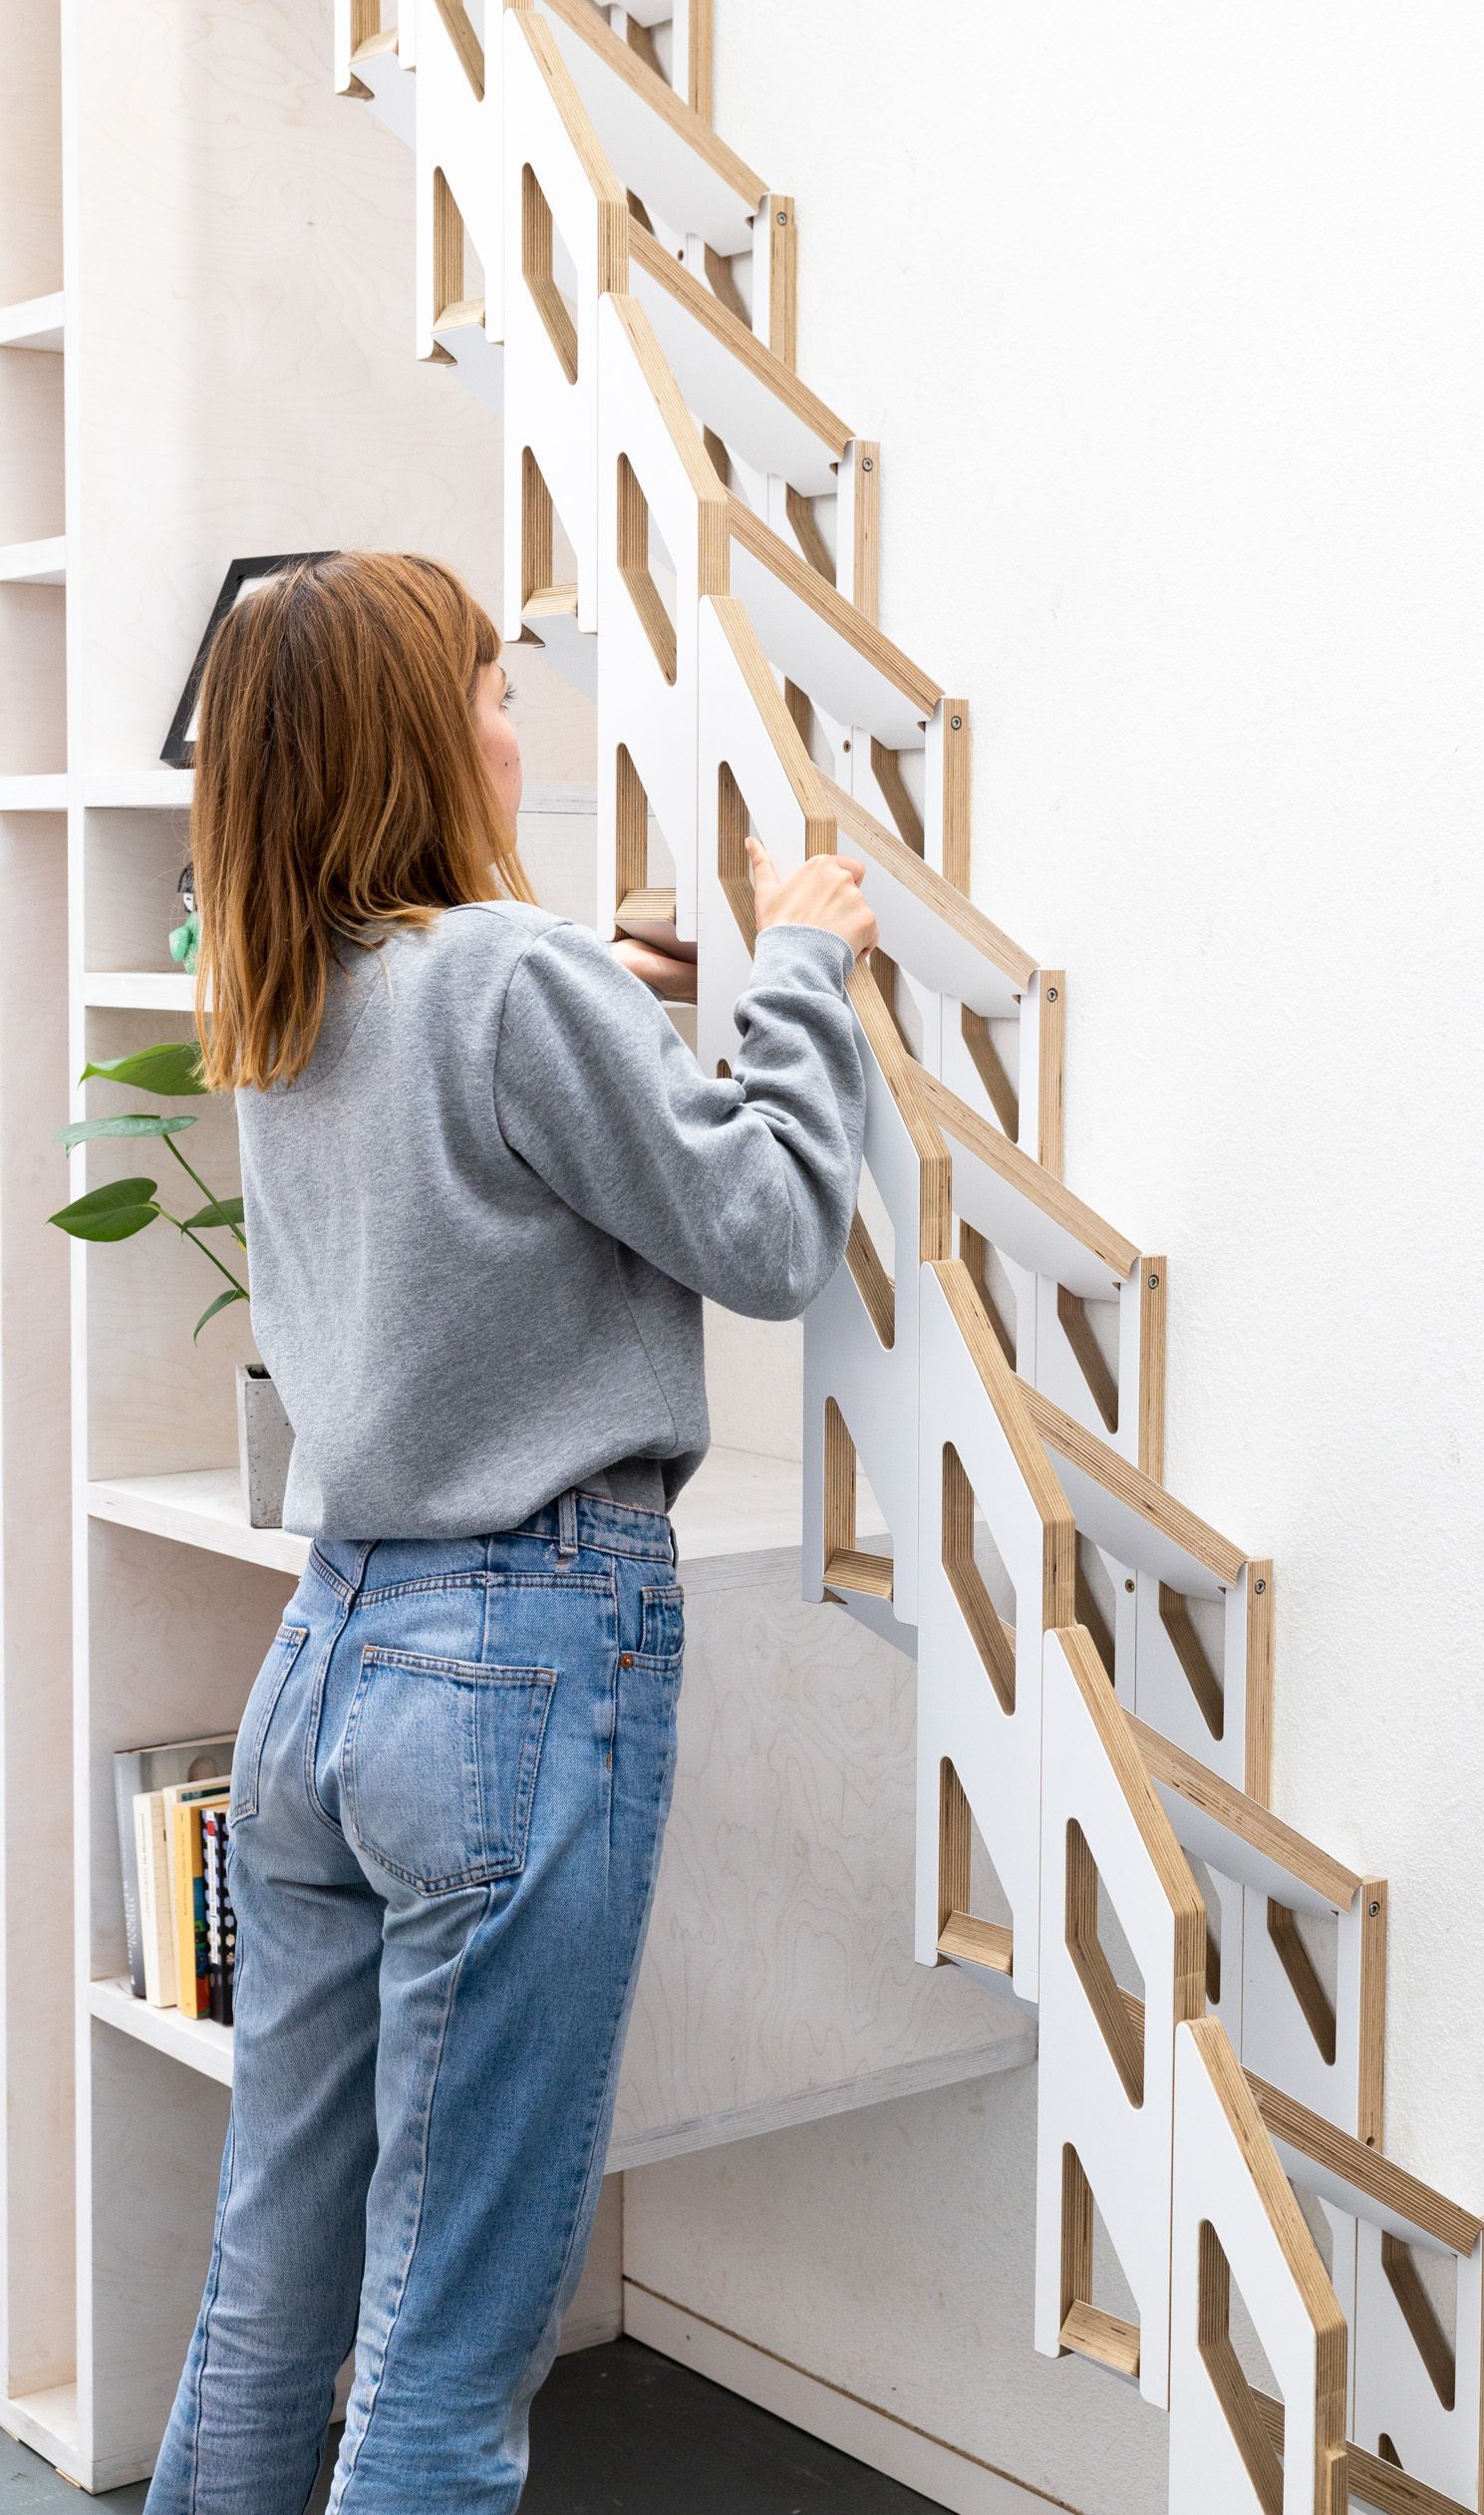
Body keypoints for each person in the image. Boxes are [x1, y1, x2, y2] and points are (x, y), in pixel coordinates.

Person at [145, 549, 876, 2514]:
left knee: (270, 2308)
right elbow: (765, 1230)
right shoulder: (506, 980)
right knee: (449, 2358)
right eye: (484, 686)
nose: (513, 716)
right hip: (513, 1670)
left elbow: (483, 1097)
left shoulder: (290, 994)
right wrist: (798, 965)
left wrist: (614, 983)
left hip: (324, 1674)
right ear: (408, 732)